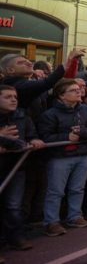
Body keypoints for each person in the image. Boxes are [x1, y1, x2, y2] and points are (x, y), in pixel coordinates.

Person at [37, 79, 87, 236]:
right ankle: (51, 222)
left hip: (83, 154)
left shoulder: (86, 110)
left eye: (78, 89)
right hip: (60, 157)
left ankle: (75, 216)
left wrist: (82, 133)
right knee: (55, 191)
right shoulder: (50, 114)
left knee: (78, 188)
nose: (78, 92)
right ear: (61, 96)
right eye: (73, 90)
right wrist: (66, 136)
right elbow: (45, 137)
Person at [0, 85, 44, 252]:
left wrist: (34, 140)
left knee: (13, 205)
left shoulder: (22, 116)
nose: (13, 100)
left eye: (15, 97)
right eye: (7, 97)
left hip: (16, 166)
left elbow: (30, 135)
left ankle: (15, 237)